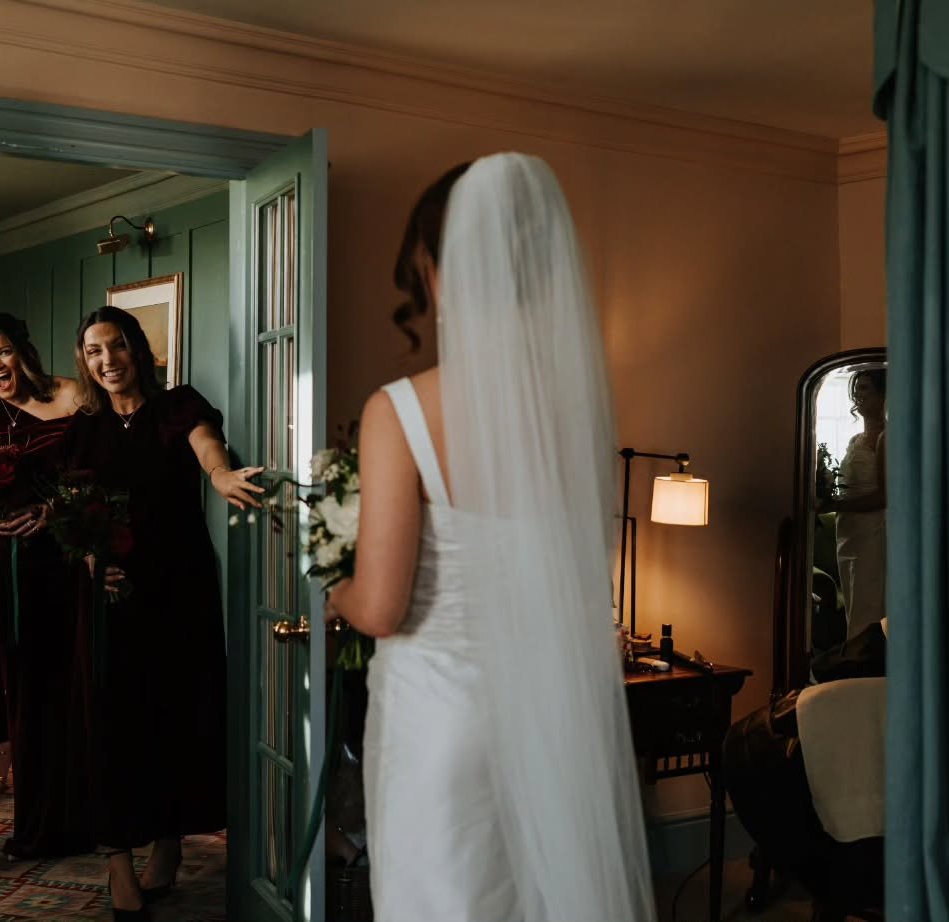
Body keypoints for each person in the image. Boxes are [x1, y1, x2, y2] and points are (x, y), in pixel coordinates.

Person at [325, 155, 655, 921]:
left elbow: (379, 608)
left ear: (437, 273)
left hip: (441, 726)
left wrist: (330, 582)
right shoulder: (572, 412)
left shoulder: (399, 410)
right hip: (547, 719)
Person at [65, 306, 263, 920]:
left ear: (139, 351)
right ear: (86, 361)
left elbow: (208, 447)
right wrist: (92, 560)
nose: (107, 360)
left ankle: (169, 844)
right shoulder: (84, 430)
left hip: (180, 591)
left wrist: (222, 473)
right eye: (95, 351)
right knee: (114, 721)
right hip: (115, 596)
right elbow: (73, 516)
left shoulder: (178, 405)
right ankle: (119, 860)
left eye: (117, 346)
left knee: (177, 715)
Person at [0, 313, 94, 858]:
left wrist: (51, 510)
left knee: (76, 685)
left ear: (24, 351)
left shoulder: (73, 394)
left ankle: (89, 820)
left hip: (70, 557)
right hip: (12, 564)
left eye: (4, 352)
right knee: (29, 692)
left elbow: (98, 475)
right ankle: (37, 825)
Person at [825, 369, 887, 639]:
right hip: (849, 531)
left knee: (868, 601)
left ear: (883, 395)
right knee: (853, 599)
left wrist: (836, 504)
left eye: (865, 389)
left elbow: (885, 496)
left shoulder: (887, 437)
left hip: (873, 531)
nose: (857, 396)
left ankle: (866, 667)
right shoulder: (855, 440)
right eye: (856, 389)